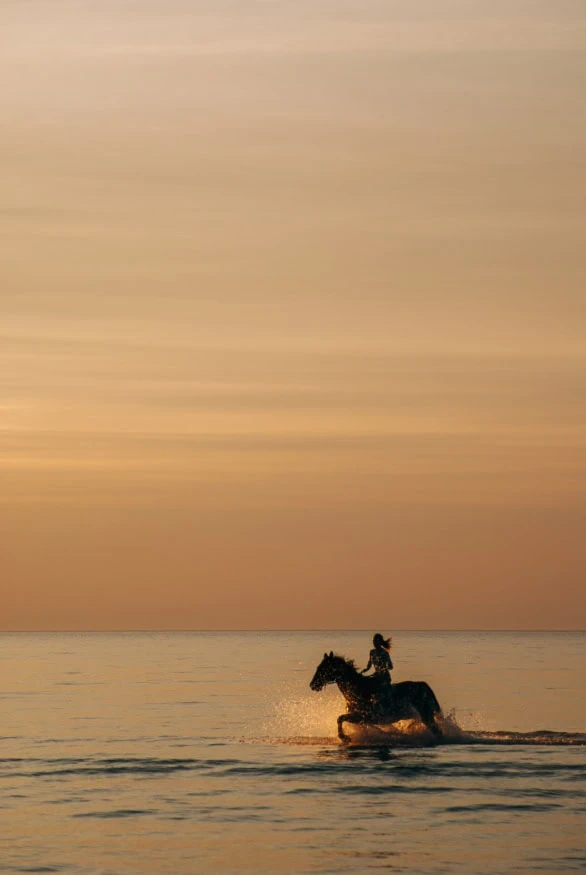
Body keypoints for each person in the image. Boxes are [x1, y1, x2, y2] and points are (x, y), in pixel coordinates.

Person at [361, 633, 393, 710]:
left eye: (375, 641)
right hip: (376, 676)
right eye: (373, 641)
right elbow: (368, 666)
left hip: (384, 677)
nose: (374, 643)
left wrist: (382, 670)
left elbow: (390, 666)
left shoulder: (385, 653)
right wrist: (363, 671)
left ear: (380, 642)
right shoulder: (372, 652)